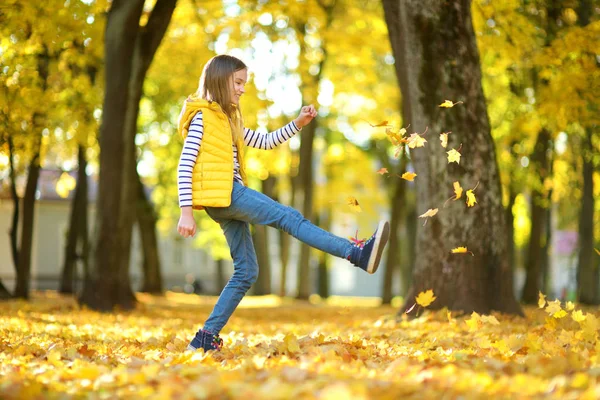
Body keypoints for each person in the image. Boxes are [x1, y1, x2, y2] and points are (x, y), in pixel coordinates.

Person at [176, 54, 390, 352]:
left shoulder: (229, 120)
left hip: (223, 198)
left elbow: (264, 141)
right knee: (289, 217)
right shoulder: (203, 117)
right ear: (218, 80)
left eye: (244, 84)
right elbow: (185, 164)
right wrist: (186, 213)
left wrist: (298, 124)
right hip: (227, 194)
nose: (242, 89)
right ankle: (356, 253)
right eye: (238, 82)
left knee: (246, 271)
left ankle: (204, 338)